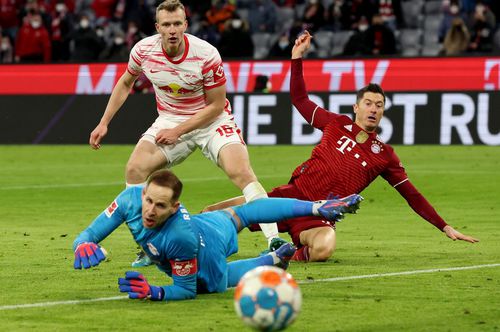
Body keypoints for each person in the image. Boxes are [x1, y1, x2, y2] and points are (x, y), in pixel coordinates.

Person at [204, 31, 479, 263]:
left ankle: (284, 256)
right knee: (212, 214)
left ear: (383, 112)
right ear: (356, 107)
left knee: (324, 248)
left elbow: (412, 195)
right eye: (369, 103)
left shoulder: (384, 155)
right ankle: (192, 247)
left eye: (379, 105)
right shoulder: (336, 123)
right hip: (290, 197)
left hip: (319, 215)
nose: (373, 109)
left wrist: (444, 226)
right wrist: (297, 59)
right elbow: (300, 99)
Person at [88, 0, 280, 266]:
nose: (172, 30)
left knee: (242, 173)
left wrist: (179, 131)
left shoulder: (206, 53)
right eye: (166, 25)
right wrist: (104, 122)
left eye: (178, 23)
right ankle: (150, 244)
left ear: (186, 25)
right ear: (158, 28)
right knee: (134, 169)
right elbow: (125, 82)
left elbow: (215, 106)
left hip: (211, 121)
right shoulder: (143, 50)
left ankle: (275, 241)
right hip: (169, 118)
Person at [72, 169, 363, 302]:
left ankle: (271, 259)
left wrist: (156, 292)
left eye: (160, 206)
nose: (149, 211)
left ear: (174, 208)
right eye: (148, 200)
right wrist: (82, 244)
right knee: (244, 213)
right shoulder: (129, 200)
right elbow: (89, 233)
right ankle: (315, 208)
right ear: (143, 193)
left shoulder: (179, 238)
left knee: (212, 284)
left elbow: (184, 291)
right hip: (208, 221)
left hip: (206, 246)